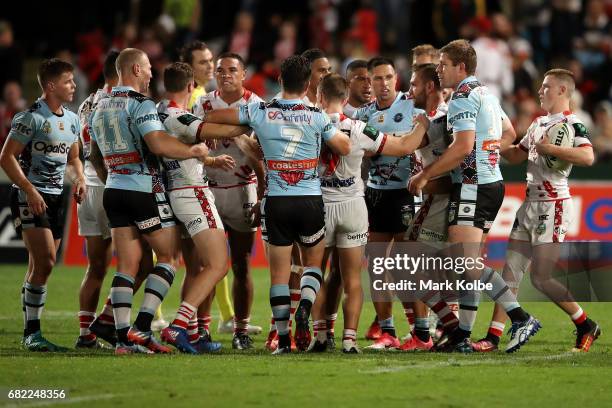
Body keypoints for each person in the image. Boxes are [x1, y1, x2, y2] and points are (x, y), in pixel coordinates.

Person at [205, 55, 351, 353]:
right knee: (312, 265)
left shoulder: (260, 110)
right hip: (309, 199)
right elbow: (344, 147)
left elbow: (214, 118)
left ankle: (283, 338)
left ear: (280, 81)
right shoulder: (316, 115)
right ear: (309, 83)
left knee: (279, 276)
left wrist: (239, 131)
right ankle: (306, 308)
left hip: (276, 201)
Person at [409, 39, 539, 353]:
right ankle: (462, 335)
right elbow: (508, 133)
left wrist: (426, 174)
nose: (439, 70)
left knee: (464, 262)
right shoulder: (486, 94)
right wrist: (489, 151)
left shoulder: (462, 97)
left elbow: (463, 146)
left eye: (444, 64)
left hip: (472, 185)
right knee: (466, 263)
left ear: (461, 67)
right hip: (489, 182)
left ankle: (520, 317)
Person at [88, 48, 209, 354]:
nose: (153, 74)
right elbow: (157, 143)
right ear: (135, 70)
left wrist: (115, 177)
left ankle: (121, 338)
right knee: (169, 257)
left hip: (113, 189)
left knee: (127, 266)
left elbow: (94, 155)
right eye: (148, 68)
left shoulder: (98, 105)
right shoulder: (140, 105)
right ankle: (142, 328)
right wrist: (191, 151)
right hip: (143, 189)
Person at [472, 69, 600, 353]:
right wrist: (493, 144)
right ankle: (493, 338)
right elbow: (518, 153)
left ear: (563, 91)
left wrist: (549, 149)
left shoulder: (573, 123)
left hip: (553, 206)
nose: (541, 91)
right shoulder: (538, 123)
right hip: (529, 203)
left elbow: (588, 156)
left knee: (541, 278)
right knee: (510, 273)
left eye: (547, 87)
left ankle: (585, 323)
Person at [310, 73, 429, 353]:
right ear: (344, 97)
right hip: (353, 206)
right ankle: (349, 340)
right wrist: (422, 127)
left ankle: (321, 336)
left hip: (320, 206)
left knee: (315, 273)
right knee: (352, 279)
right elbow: (403, 147)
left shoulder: (309, 124)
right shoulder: (360, 127)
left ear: (321, 97)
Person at [156, 62, 251, 354]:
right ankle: (178, 326)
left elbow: (185, 148)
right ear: (189, 87)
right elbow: (219, 129)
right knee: (219, 264)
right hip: (193, 193)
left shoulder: (155, 111)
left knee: (193, 266)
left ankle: (194, 333)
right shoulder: (181, 116)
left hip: (173, 190)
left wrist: (209, 160)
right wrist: (256, 119)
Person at [0, 58, 85, 351]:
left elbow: (73, 157)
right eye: (68, 81)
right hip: (29, 195)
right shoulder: (31, 118)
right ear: (51, 86)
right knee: (47, 260)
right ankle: (32, 333)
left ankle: (30, 332)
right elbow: (6, 157)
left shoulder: (72, 119)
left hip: (56, 196)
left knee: (39, 264)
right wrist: (28, 188)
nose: (74, 85)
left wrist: (81, 178)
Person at [192, 52, 266, 349]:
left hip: (242, 188)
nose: (224, 74)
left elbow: (260, 152)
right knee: (205, 265)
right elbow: (194, 139)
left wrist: (241, 140)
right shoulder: (204, 102)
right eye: (220, 70)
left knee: (241, 264)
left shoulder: (257, 104)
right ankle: (201, 330)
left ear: (243, 74)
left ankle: (241, 331)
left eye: (232, 70)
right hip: (208, 188)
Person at [354, 57, 425, 349]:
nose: (383, 84)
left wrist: (386, 143)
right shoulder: (363, 114)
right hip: (376, 193)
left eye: (387, 77)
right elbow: (360, 151)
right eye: (377, 79)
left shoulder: (413, 108)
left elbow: (417, 143)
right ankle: (388, 331)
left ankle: (421, 332)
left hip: (406, 192)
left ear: (396, 78)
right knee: (377, 265)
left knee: (408, 264)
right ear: (369, 82)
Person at [75, 51, 120, 348]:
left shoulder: (86, 102)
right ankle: (107, 318)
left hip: (88, 187)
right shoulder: (117, 103)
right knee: (138, 261)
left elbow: (81, 145)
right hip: (110, 182)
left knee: (96, 266)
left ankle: (85, 334)